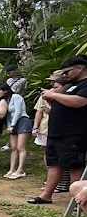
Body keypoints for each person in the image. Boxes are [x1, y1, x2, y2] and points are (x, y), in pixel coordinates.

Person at [28, 55, 87, 205]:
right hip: (56, 133)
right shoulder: (69, 86)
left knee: (74, 166)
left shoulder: (85, 85)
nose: (64, 75)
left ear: (79, 68)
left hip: (73, 133)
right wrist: (51, 100)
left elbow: (80, 102)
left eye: (67, 72)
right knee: (54, 164)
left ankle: (78, 201)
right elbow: (63, 105)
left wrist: (54, 94)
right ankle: (46, 195)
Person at [32, 74, 71, 193]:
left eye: (56, 85)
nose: (52, 87)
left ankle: (64, 184)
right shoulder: (49, 94)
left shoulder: (70, 96)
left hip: (65, 132)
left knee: (64, 159)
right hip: (50, 129)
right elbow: (44, 111)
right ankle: (54, 183)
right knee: (52, 158)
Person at [2, 81, 32, 178]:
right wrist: (9, 125)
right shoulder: (7, 100)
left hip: (22, 121)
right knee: (13, 148)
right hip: (13, 124)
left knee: (20, 147)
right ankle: (12, 169)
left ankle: (21, 170)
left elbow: (18, 111)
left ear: (5, 91)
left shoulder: (16, 97)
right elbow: (8, 116)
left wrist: (12, 125)